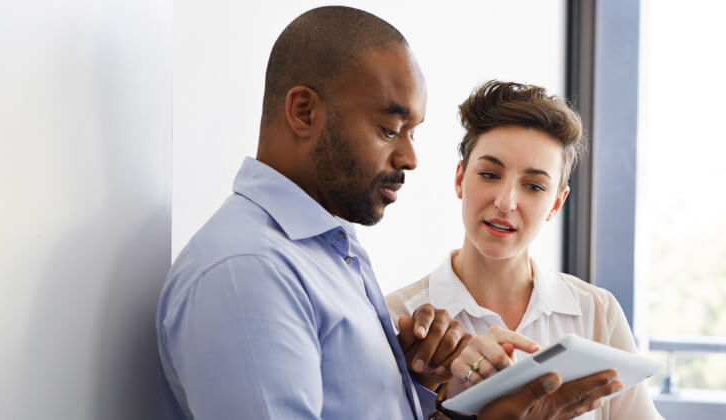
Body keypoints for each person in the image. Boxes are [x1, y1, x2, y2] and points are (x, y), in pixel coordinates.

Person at [156, 7, 616, 420]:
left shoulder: (332, 253)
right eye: (390, 129)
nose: (410, 158)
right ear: (303, 111)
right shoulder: (248, 272)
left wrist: (421, 385)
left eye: (413, 132)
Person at [386, 81, 665, 419]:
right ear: (460, 179)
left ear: (556, 204)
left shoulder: (595, 312)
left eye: (533, 186)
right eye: (489, 174)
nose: (505, 202)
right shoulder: (399, 318)